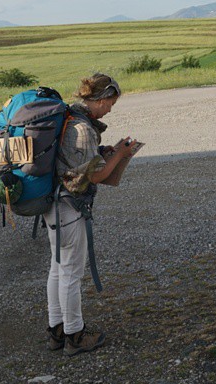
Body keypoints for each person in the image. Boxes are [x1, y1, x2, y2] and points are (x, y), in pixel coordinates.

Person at [44, 73, 137, 357]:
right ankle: (75, 336)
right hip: (70, 207)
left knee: (58, 269)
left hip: (53, 205)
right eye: (110, 102)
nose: (111, 108)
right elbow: (95, 177)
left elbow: (75, 159)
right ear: (99, 98)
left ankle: (57, 330)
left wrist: (102, 151)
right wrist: (120, 154)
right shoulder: (82, 128)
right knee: (71, 272)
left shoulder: (71, 118)